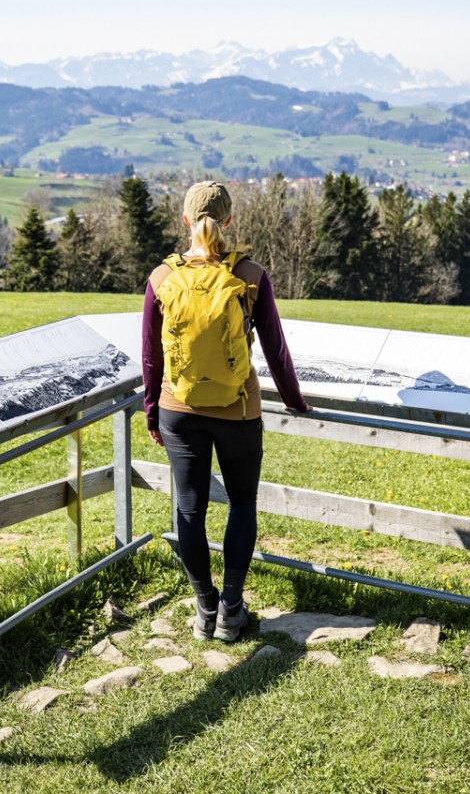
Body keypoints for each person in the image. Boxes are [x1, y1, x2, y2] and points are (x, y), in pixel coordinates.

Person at [142, 179, 311, 642]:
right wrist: (295, 400)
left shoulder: (162, 278)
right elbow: (276, 350)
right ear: (230, 220)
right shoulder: (251, 274)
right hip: (238, 410)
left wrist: (154, 410)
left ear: (184, 220)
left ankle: (204, 610)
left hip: (180, 408)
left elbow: (152, 358)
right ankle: (232, 611)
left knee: (190, 511)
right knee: (241, 503)